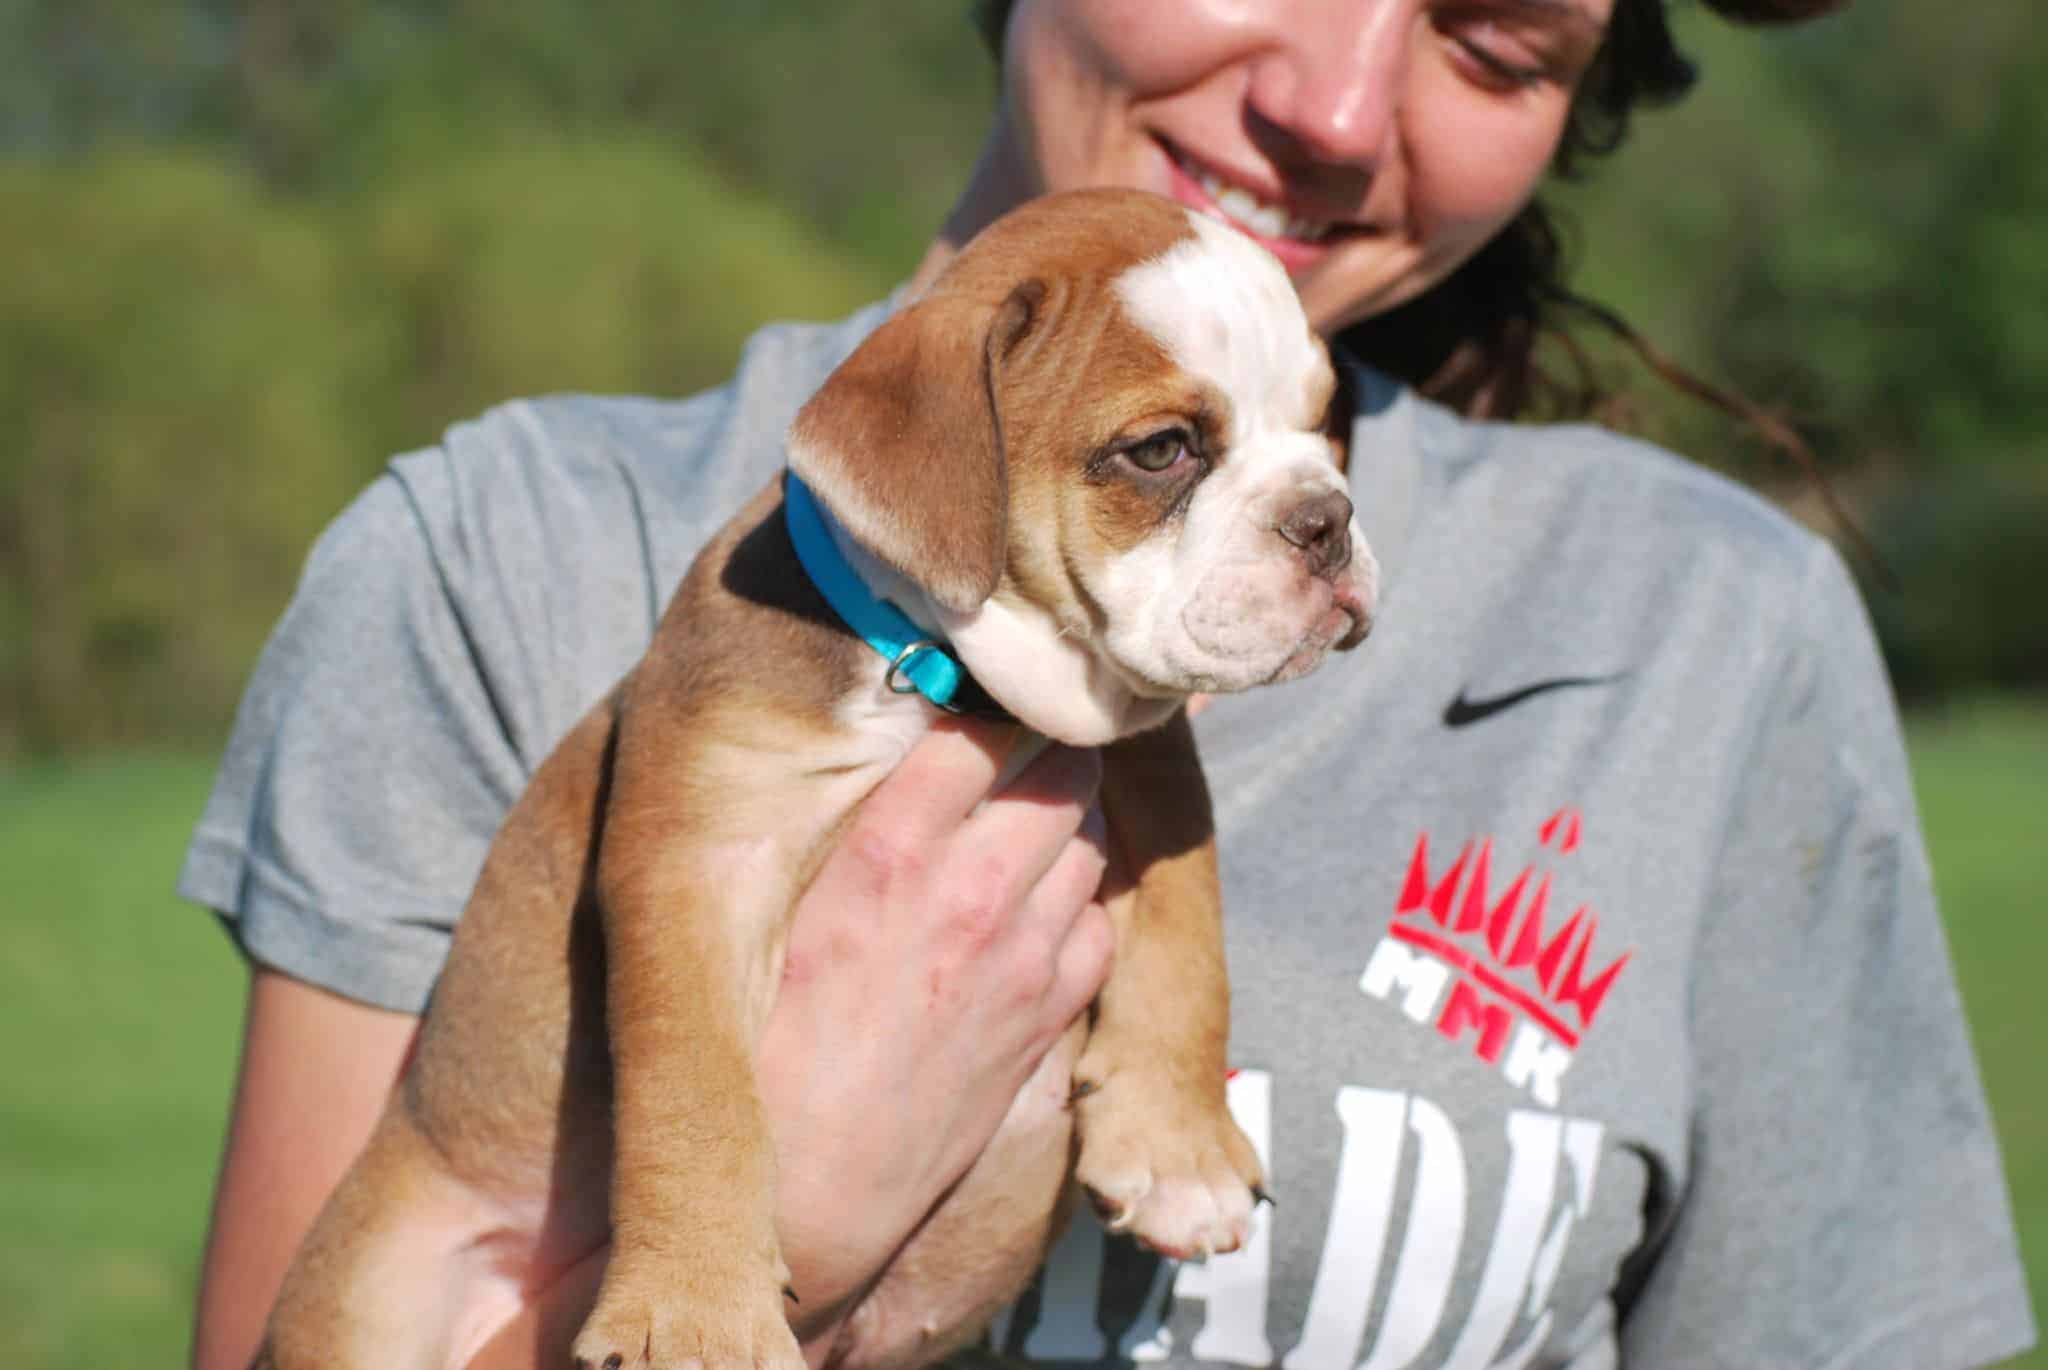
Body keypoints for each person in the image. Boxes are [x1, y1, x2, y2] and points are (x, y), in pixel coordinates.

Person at [184, 2, 2039, 1368]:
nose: (1330, 104)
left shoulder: (1715, 631)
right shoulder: (490, 557)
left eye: (1492, 46)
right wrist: (790, 1228)